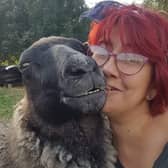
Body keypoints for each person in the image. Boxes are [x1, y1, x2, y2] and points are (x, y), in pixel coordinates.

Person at [81, 1, 168, 168]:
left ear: (155, 84)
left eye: (130, 58)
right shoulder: (79, 144)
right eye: (100, 51)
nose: (106, 68)